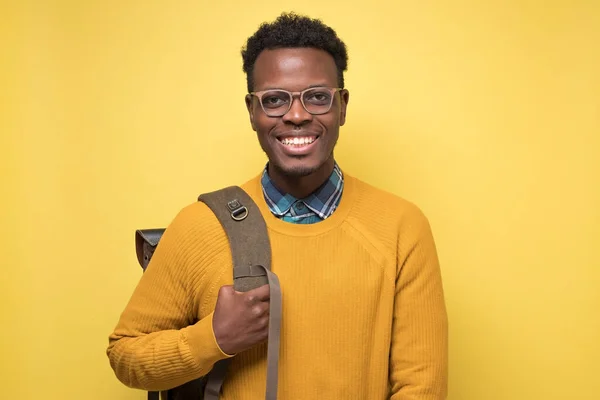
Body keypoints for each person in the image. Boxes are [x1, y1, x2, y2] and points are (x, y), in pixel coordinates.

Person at [107, 12, 448, 400]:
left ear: (343, 106)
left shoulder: (402, 227)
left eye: (318, 97)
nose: (297, 115)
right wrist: (213, 338)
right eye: (274, 100)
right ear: (252, 111)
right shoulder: (200, 225)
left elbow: (421, 388)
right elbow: (125, 354)